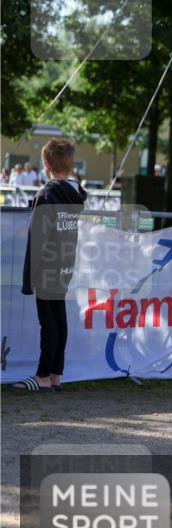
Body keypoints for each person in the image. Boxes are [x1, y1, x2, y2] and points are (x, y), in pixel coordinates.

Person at [14, 139, 87, 391]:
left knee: (49, 322)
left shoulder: (46, 195)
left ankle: (43, 375)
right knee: (59, 319)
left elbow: (38, 238)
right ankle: (56, 374)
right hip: (65, 264)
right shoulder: (73, 193)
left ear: (46, 164)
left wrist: (29, 278)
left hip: (47, 266)